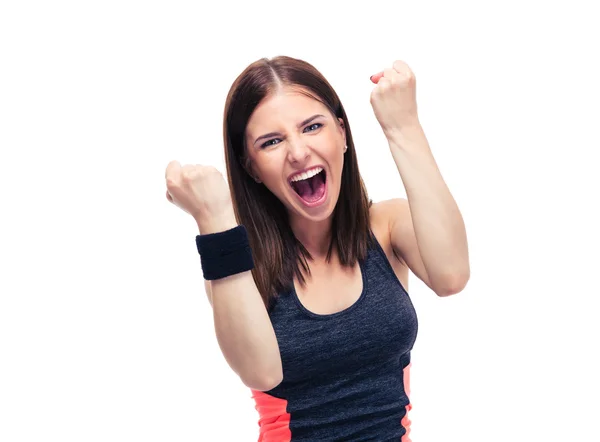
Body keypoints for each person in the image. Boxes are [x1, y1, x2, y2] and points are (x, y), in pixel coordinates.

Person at [165, 55, 470, 441]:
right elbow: (261, 373)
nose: (297, 151)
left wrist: (403, 127)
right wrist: (215, 223)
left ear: (342, 133)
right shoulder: (239, 266)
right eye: (271, 142)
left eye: (312, 127)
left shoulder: (387, 227)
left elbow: (452, 275)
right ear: (251, 167)